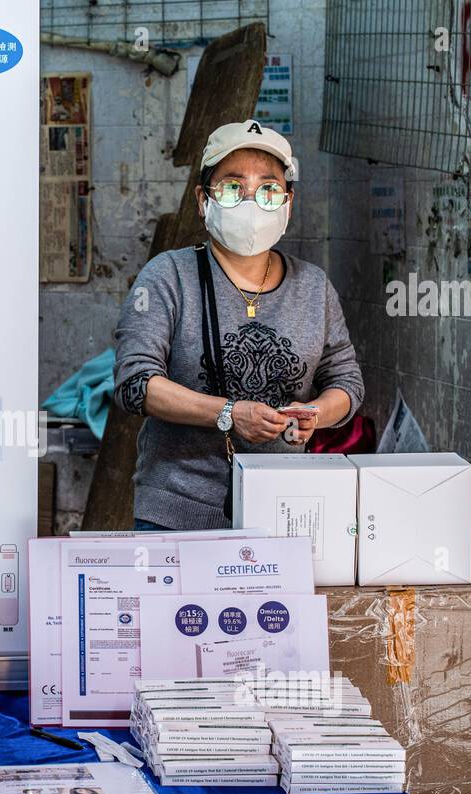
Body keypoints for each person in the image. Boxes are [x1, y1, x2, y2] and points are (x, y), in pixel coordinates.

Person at [113, 121, 364, 531]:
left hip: (284, 509)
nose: (251, 202)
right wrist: (228, 413)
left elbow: (347, 382)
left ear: (288, 201)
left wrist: (314, 413)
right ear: (203, 199)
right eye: (232, 187)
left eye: (268, 189)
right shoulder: (168, 277)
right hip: (178, 511)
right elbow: (135, 383)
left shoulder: (313, 286)